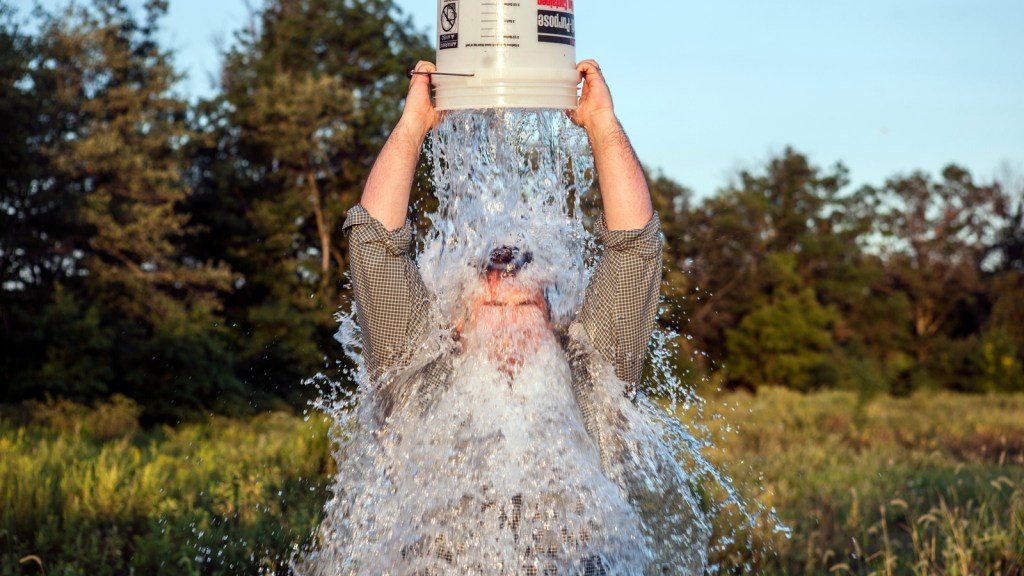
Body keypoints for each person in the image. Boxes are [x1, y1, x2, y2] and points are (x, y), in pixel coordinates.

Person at [341, 60, 707, 574]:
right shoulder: (413, 376)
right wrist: (412, 127)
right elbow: (374, 245)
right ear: (457, 323)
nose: (506, 306)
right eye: (491, 304)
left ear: (555, 318)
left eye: (524, 304)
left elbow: (635, 249)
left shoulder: (592, 376)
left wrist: (602, 124)